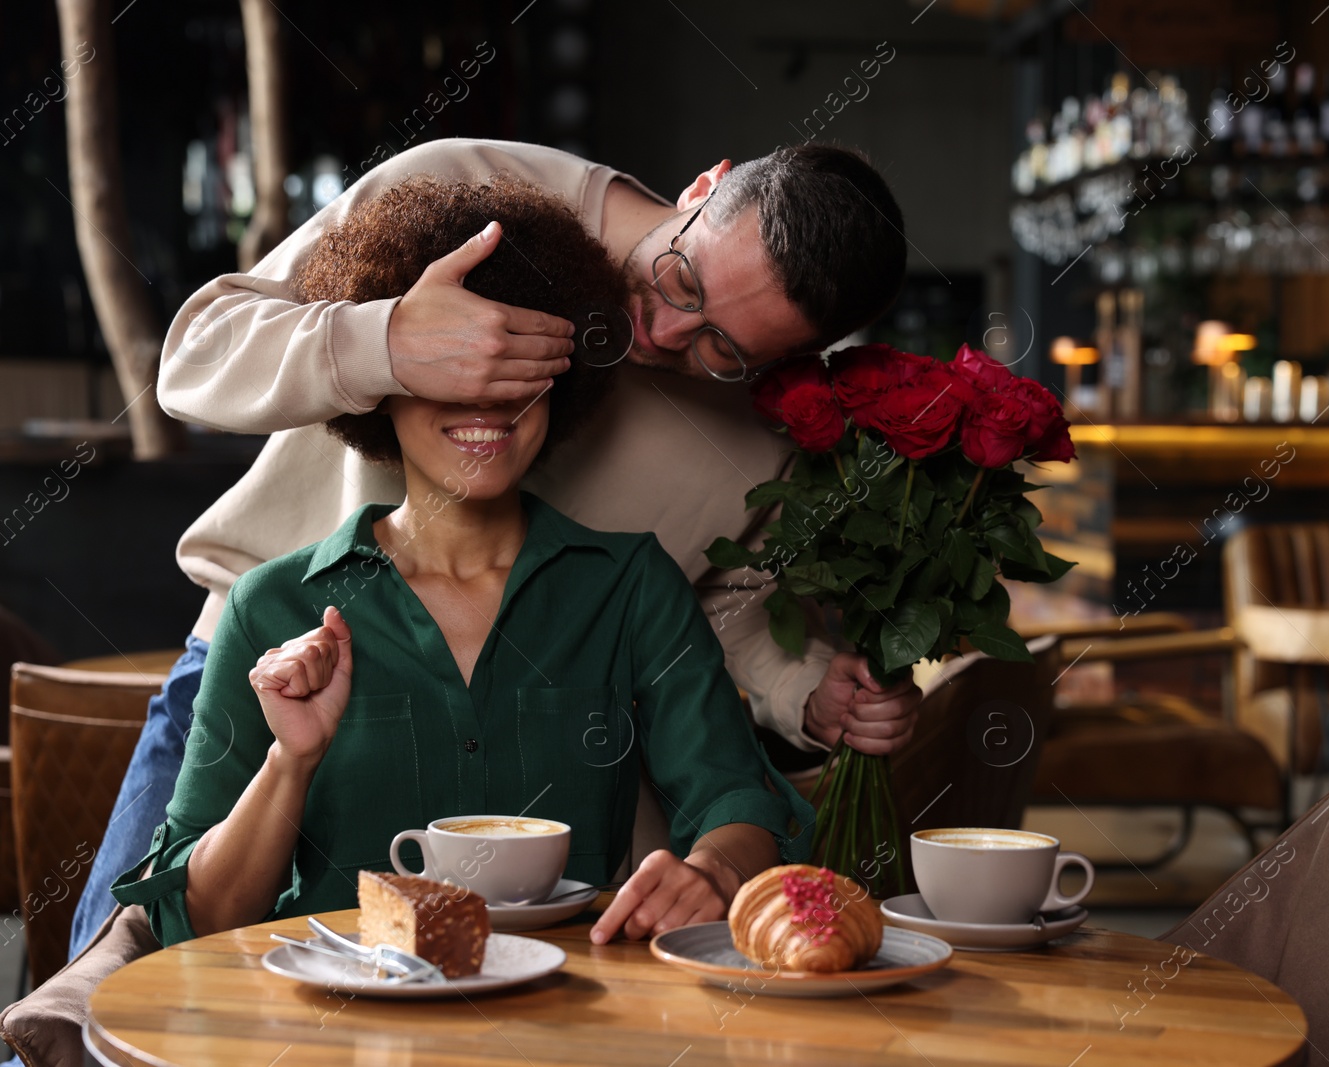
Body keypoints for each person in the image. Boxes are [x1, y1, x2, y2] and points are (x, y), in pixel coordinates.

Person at [70, 139, 921, 955]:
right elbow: (190, 362)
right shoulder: (470, 191)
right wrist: (389, 338)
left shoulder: (757, 442)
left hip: (536, 728)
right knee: (105, 987)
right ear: (703, 187)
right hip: (269, 675)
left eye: (723, 348)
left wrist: (806, 686)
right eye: (681, 277)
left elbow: (720, 617)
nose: (663, 331)